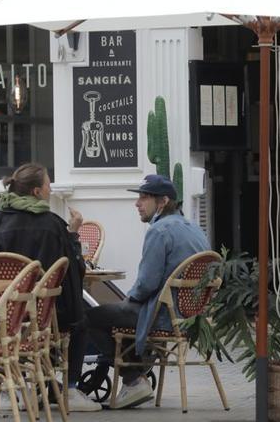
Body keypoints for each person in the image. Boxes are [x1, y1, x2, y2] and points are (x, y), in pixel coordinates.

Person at [0, 163, 98, 411]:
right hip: (45, 318)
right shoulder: (53, 224)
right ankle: (70, 389)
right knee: (81, 321)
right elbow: (75, 272)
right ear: (36, 192)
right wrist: (73, 234)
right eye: (48, 185)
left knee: (10, 325)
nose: (50, 189)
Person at [83, 174, 210, 409]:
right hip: (190, 317)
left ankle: (133, 380)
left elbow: (146, 285)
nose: (137, 203)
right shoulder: (195, 229)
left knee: (90, 318)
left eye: (144, 198)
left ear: (162, 202)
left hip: (161, 316)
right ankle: (139, 370)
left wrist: (129, 299)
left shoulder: (159, 231)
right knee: (116, 312)